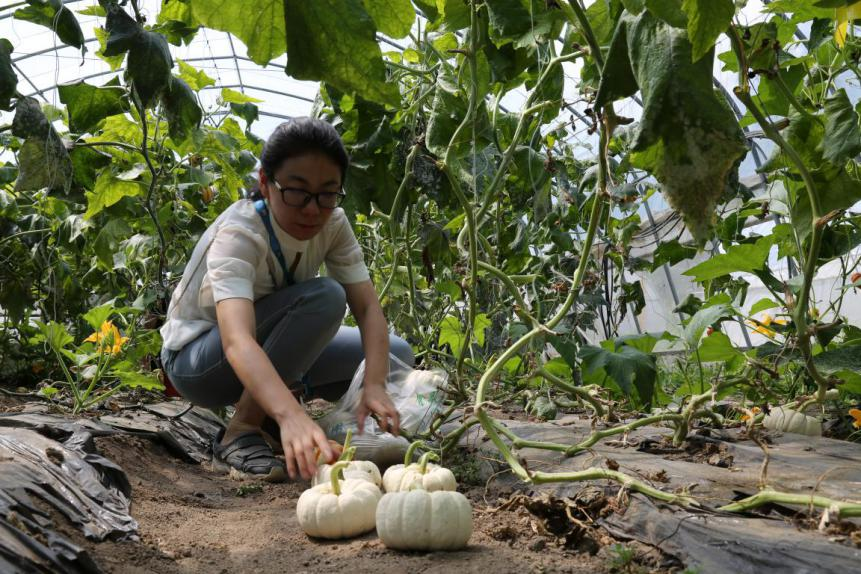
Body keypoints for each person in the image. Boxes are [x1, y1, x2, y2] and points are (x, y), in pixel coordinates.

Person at [159, 118, 413, 483]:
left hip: (263, 349)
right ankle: (241, 429)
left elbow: (368, 308)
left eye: (327, 194)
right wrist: (290, 415)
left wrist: (374, 384)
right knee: (326, 297)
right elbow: (237, 340)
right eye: (297, 191)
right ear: (265, 182)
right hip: (198, 363)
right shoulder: (240, 232)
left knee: (395, 355)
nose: (312, 209)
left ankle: (275, 413)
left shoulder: (333, 224)